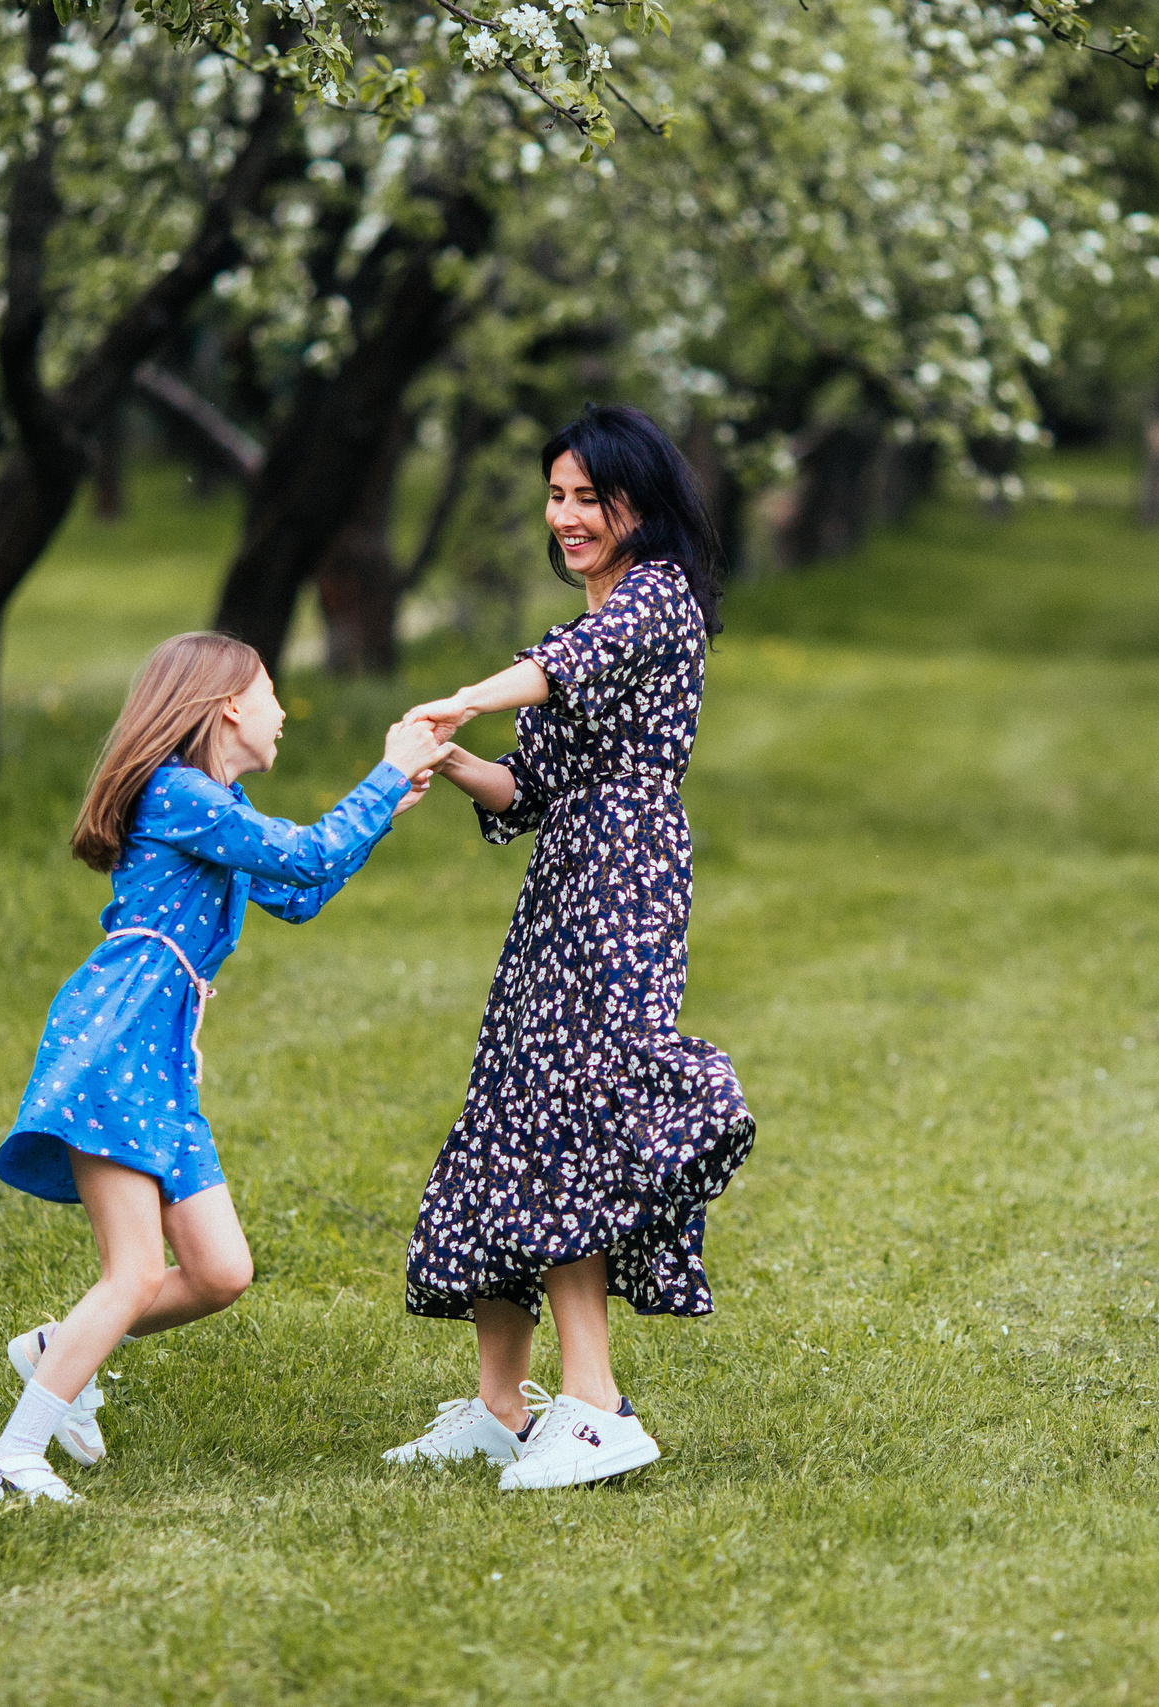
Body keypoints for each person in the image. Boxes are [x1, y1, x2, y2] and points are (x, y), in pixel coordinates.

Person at [0, 632, 451, 1504]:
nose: (283, 711)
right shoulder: (181, 793)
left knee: (220, 1271)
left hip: (160, 1062)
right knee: (137, 1272)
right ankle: (8, 1458)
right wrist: (379, 781)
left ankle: (55, 1351)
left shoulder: (212, 807)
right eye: (272, 692)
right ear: (229, 704)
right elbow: (305, 853)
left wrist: (384, 808)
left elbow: (298, 892)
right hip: (118, 1043)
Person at [386, 404, 755, 1491]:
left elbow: (563, 666)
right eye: (556, 496)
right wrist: (452, 758)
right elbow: (529, 789)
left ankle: (595, 1406)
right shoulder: (597, 608)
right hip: (563, 880)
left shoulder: (655, 599)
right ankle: (503, 1407)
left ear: (641, 501)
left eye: (589, 497)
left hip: (625, 877)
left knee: (579, 1116)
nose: (567, 517)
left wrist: (458, 694)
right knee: (511, 1107)